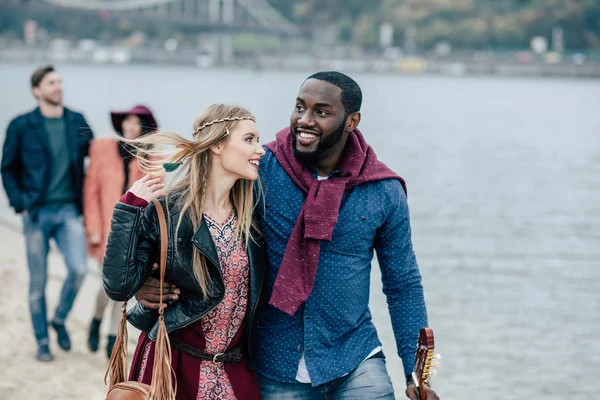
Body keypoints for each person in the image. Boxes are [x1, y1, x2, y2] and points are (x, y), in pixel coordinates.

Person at [136, 72, 440, 399]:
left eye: (321, 112)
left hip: (353, 356)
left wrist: (417, 371)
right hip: (275, 361)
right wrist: (142, 281)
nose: (304, 120)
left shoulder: (382, 190)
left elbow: (402, 283)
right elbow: (190, 215)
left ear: (352, 121)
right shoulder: (261, 169)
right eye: (299, 107)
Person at [102, 104, 267, 400]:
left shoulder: (253, 214)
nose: (260, 150)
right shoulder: (166, 212)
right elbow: (119, 285)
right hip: (171, 366)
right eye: (249, 139)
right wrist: (128, 209)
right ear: (217, 144)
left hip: (235, 369)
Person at [1, 65, 94, 362]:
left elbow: (100, 153)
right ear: (36, 90)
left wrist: (137, 145)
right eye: (51, 83)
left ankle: (60, 319)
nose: (59, 86)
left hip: (69, 210)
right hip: (36, 213)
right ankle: (42, 340)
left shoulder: (77, 121)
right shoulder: (21, 125)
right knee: (38, 282)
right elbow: (7, 167)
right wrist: (21, 204)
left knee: (79, 269)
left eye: (60, 82)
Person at [84, 104, 159, 359]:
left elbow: (157, 197)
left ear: (144, 128)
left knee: (122, 291)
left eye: (136, 123)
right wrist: (92, 229)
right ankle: (97, 321)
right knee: (109, 287)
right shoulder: (102, 149)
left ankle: (112, 336)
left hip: (135, 235)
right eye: (126, 121)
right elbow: (91, 192)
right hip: (105, 231)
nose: (130, 126)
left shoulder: (151, 156)